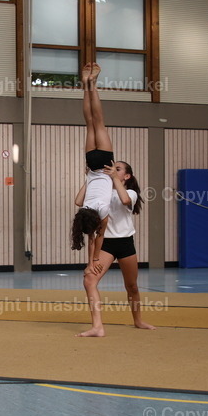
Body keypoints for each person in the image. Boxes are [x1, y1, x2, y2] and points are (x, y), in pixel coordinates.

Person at [75, 160, 155, 336]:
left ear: (127, 176)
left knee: (132, 286)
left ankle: (138, 320)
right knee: (89, 280)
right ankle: (97, 326)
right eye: (111, 168)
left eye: (117, 169)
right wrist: (90, 177)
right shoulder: (100, 193)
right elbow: (79, 201)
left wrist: (113, 177)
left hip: (125, 242)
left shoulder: (130, 193)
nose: (111, 170)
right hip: (105, 245)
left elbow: (125, 200)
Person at [71, 63, 113, 267]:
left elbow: (97, 239)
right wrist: (88, 179)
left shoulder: (103, 212)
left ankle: (93, 84)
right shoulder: (85, 207)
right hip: (91, 163)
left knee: (98, 121)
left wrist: (93, 261)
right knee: (89, 122)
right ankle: (86, 85)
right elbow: (77, 201)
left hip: (105, 165)